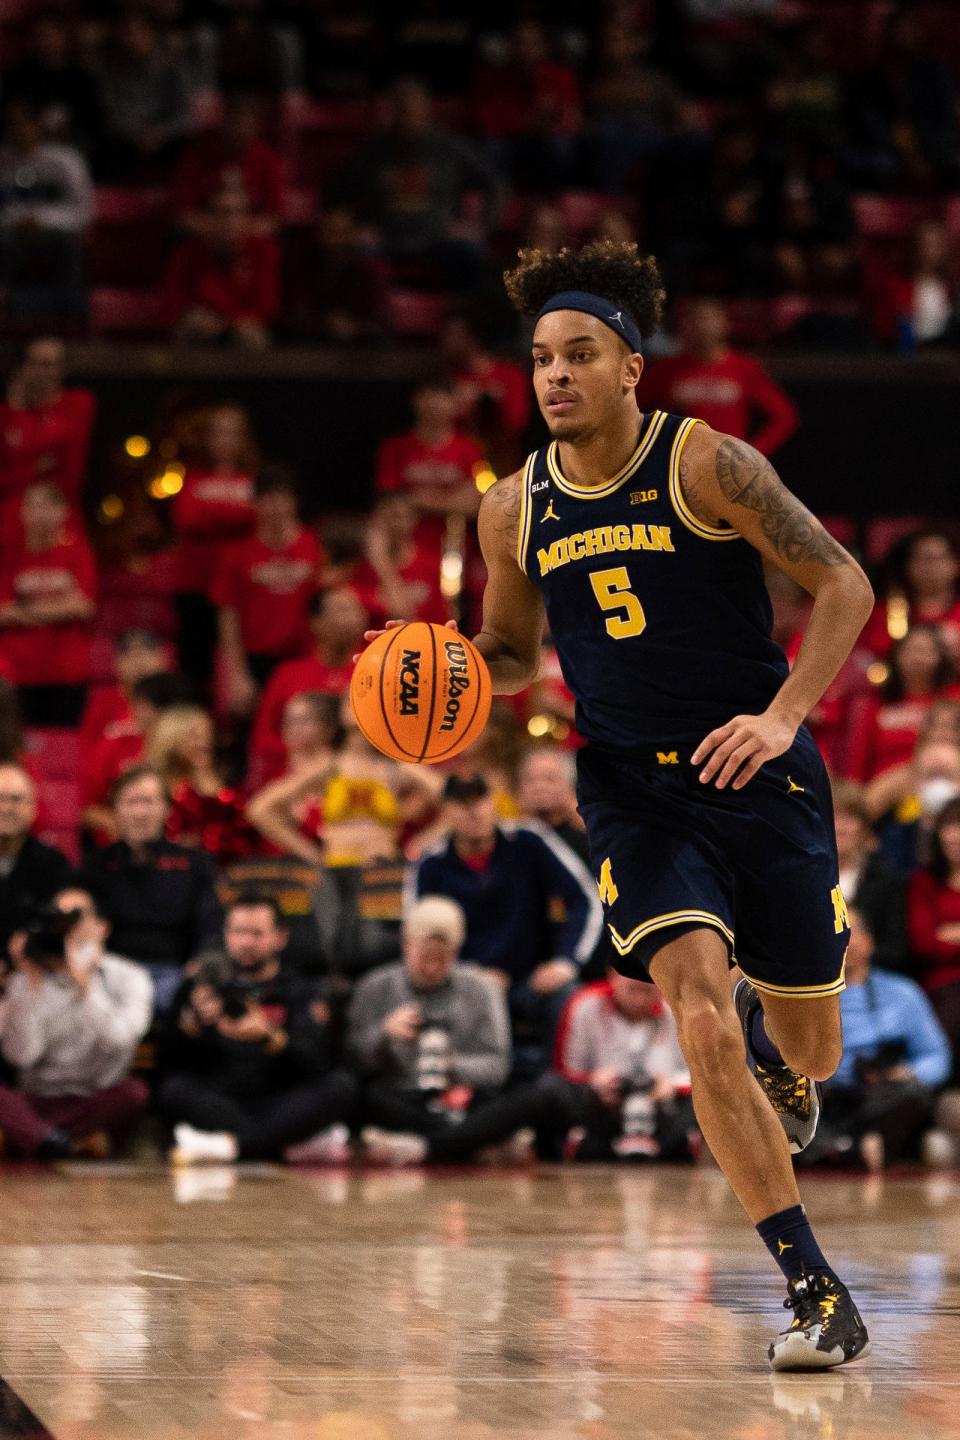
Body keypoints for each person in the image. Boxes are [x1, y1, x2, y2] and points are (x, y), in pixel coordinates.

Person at [365, 238, 875, 1367]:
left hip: (760, 770)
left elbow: (844, 582)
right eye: (541, 357)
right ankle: (814, 1290)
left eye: (580, 354)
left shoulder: (710, 465)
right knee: (691, 1001)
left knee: (816, 1049)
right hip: (632, 787)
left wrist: (785, 715)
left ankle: (777, 1045)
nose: (554, 375)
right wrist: (426, 671)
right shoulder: (512, 509)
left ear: (631, 368)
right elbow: (502, 648)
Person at [350, 895, 573, 1165]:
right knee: (349, 1091)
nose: (432, 968)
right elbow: (354, 1059)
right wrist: (384, 1034)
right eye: (424, 959)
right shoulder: (374, 987)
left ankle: (427, 1148)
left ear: (456, 952)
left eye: (441, 959)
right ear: (406, 945)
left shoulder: (482, 989)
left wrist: (453, 1065)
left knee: (544, 1094)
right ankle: (469, 1143)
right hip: (403, 1100)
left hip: (465, 1101)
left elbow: (497, 1066)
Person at [413, 773, 603, 1077]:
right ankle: (456, 1101)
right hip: (462, 984)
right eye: (462, 804)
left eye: (480, 800)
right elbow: (417, 938)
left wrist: (566, 962)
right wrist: (468, 975)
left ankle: (561, 1093)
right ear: (446, 812)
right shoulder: (431, 865)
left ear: (494, 804)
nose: (474, 811)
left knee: (568, 995)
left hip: (532, 980)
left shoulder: (528, 841)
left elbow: (586, 899)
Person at [159, 893, 356, 1164]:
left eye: (257, 934)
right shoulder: (200, 985)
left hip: (280, 1096)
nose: (246, 942)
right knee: (173, 1090)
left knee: (341, 1086)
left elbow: (318, 1062)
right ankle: (285, 1143)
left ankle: (230, 1146)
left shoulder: (301, 989)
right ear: (226, 935)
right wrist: (191, 1026)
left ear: (280, 937)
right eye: (238, 932)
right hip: (222, 1098)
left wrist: (270, 1037)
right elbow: (169, 1059)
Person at [0, 889, 152, 1159]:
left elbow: (119, 1041)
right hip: (35, 1100)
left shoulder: (129, 976)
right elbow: (22, 1057)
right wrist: (28, 990)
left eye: (74, 919)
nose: (63, 928)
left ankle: (34, 1137)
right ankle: (59, 1141)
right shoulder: (27, 980)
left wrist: (87, 984)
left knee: (134, 1093)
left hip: (93, 1099)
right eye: (55, 919)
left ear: (102, 928)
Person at [798, 908, 951, 1172]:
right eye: (833, 932)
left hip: (881, 1095)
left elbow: (937, 1056)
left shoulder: (904, 993)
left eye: (851, 932)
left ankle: (843, 1147)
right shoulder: (801, 997)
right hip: (825, 1094)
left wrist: (905, 1072)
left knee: (912, 1093)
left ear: (869, 941)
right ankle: (857, 1147)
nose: (844, 940)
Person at [81, 766, 223, 1012]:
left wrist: (202, 962)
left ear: (166, 809)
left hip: (174, 972)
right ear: (115, 810)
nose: (139, 812)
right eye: (131, 802)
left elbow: (211, 926)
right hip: (111, 972)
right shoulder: (97, 864)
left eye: (148, 802)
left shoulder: (193, 864)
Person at [553, 969, 696, 1161]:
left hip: (663, 1108)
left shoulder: (678, 1012)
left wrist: (672, 1084)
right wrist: (593, 1080)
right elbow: (565, 1072)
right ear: (613, 976)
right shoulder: (587, 1005)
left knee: (699, 1104)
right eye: (633, 988)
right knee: (551, 1089)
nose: (640, 999)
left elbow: (699, 1075)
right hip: (604, 1107)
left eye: (647, 988)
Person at [213, 465, 321, 716]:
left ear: (294, 503)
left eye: (283, 500)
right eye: (268, 500)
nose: (276, 508)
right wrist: (237, 675)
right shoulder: (237, 555)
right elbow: (229, 618)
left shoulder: (314, 547)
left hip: (303, 657)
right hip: (256, 661)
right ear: (256, 504)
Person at [171, 402, 257, 695]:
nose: (225, 441)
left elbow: (258, 521)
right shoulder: (191, 478)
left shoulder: (253, 480)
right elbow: (187, 519)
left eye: (232, 433)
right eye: (218, 433)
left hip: (241, 587)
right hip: (196, 585)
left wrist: (213, 515)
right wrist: (237, 516)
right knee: (196, 667)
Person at [645, 298, 798, 457]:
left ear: (725, 323)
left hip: (726, 463)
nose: (701, 326)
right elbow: (633, 410)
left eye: (708, 318)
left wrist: (754, 452)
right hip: (679, 461)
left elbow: (784, 416)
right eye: (692, 319)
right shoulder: (667, 370)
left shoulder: (743, 368)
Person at [0, 481, 97, 726]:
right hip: (18, 672)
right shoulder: (10, 555)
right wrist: (60, 609)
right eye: (32, 506)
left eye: (47, 505)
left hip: (68, 671)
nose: (39, 513)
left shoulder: (77, 551)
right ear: (22, 513)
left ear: (62, 511)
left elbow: (84, 607)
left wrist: (25, 611)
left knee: (65, 748)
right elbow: (2, 612)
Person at [250, 586, 367, 780]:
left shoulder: (376, 671)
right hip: (296, 777)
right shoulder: (288, 675)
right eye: (342, 610)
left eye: (356, 610)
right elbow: (263, 739)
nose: (353, 617)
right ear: (316, 622)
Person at [0, 98, 92, 324]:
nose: (19, 130)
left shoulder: (65, 159)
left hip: (56, 237)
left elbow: (83, 211)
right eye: (13, 124)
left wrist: (42, 221)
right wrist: (16, 222)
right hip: (10, 237)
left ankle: (20, 304)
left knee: (70, 251)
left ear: (37, 124)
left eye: (25, 122)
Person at [163, 187, 280, 349]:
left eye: (239, 213)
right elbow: (175, 303)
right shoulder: (188, 254)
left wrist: (225, 321)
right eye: (224, 212)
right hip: (205, 324)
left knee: (249, 334)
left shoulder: (264, 250)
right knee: (191, 327)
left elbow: (266, 304)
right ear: (207, 219)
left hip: (244, 324)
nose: (231, 221)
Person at [0, 337, 96, 530]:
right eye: (34, 363)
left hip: (62, 517)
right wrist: (16, 410)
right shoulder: (7, 414)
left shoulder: (79, 403)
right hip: (12, 518)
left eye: (48, 364)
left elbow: (65, 451)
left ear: (62, 369)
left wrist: (25, 463)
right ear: (23, 368)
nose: (41, 372)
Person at [845, 625, 960, 784]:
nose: (917, 658)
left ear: (940, 657)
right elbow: (858, 760)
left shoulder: (952, 701)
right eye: (911, 650)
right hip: (883, 789)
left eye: (925, 651)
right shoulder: (875, 706)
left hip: (939, 783)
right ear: (896, 656)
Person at [147, 705, 257, 865]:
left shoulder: (228, 775)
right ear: (172, 739)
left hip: (237, 868)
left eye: (208, 734)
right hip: (182, 871)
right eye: (195, 736)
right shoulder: (158, 785)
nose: (205, 742)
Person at [171, 92, 284, 238]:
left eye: (247, 125)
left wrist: (237, 233)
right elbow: (183, 213)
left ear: (257, 127)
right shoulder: (198, 156)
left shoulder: (268, 160)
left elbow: (274, 217)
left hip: (251, 241)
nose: (240, 131)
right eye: (236, 123)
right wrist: (222, 231)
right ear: (224, 123)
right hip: (203, 239)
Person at [907, 797, 960, 1076]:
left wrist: (949, 933)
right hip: (943, 985)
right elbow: (924, 943)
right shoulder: (924, 882)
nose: (954, 834)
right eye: (949, 826)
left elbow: (936, 939)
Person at [832, 780, 907, 974]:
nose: (841, 828)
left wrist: (860, 951)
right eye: (834, 817)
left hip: (872, 978)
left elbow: (896, 948)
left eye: (849, 818)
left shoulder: (883, 878)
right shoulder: (803, 878)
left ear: (863, 827)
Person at [0, 764, 72, 955]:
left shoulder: (53, 864)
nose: (5, 808)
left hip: (33, 970)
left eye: (15, 800)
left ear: (32, 808)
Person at [347, 494, 446, 631]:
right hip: (371, 647)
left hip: (418, 642)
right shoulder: (357, 566)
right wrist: (378, 559)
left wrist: (381, 562)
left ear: (414, 520)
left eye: (398, 517)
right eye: (384, 519)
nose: (392, 525)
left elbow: (405, 617)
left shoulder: (430, 564)